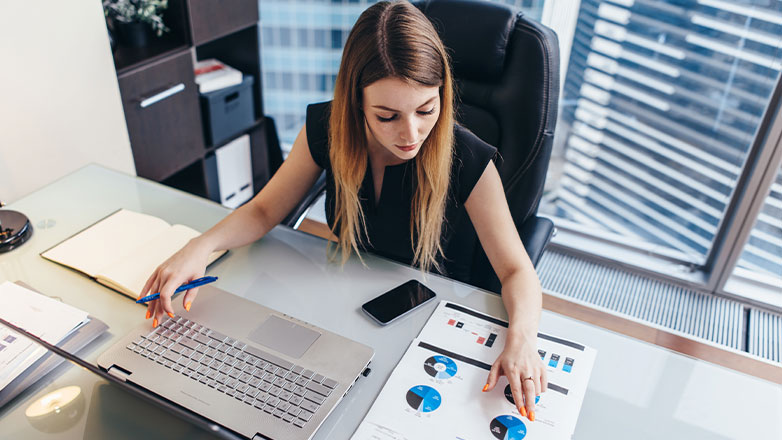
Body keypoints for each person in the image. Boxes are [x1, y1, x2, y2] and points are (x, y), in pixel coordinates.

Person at [139, 0, 546, 421]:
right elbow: (264, 210)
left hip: (428, 324)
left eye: (426, 109)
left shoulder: (467, 157)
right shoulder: (329, 128)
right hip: (347, 308)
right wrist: (200, 246)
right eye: (387, 116)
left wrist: (521, 337)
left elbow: (518, 271)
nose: (411, 134)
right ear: (356, 102)